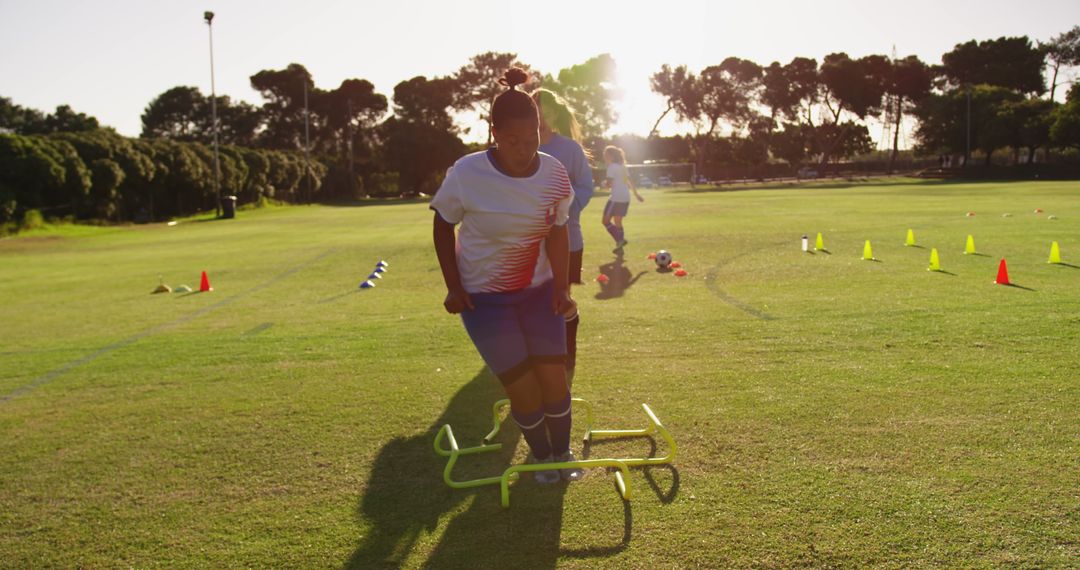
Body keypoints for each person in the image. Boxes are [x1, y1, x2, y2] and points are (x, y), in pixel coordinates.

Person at [430, 68, 584, 484]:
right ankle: (541, 458)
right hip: (484, 299)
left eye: (531, 138)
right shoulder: (467, 173)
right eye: (512, 141)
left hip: (537, 293)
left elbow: (557, 230)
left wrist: (561, 288)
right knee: (524, 390)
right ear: (494, 133)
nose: (523, 149)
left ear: (541, 127)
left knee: (554, 379)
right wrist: (454, 286)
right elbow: (443, 224)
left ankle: (562, 454)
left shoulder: (553, 173)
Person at [532, 88, 593, 384]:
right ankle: (537, 355)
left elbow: (584, 187)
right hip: (527, 243)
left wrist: (564, 211)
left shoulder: (570, 149)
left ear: (555, 115)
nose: (540, 119)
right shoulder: (518, 147)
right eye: (535, 112)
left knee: (559, 299)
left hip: (567, 239)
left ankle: (565, 352)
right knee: (531, 300)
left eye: (545, 112)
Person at [601, 145, 644, 254]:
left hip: (616, 198)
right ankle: (620, 245)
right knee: (618, 222)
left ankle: (620, 240)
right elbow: (630, 182)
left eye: (605, 154)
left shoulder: (611, 167)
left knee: (605, 221)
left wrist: (604, 185)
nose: (604, 157)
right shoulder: (623, 167)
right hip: (625, 198)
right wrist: (636, 194)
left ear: (610, 155)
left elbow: (609, 184)